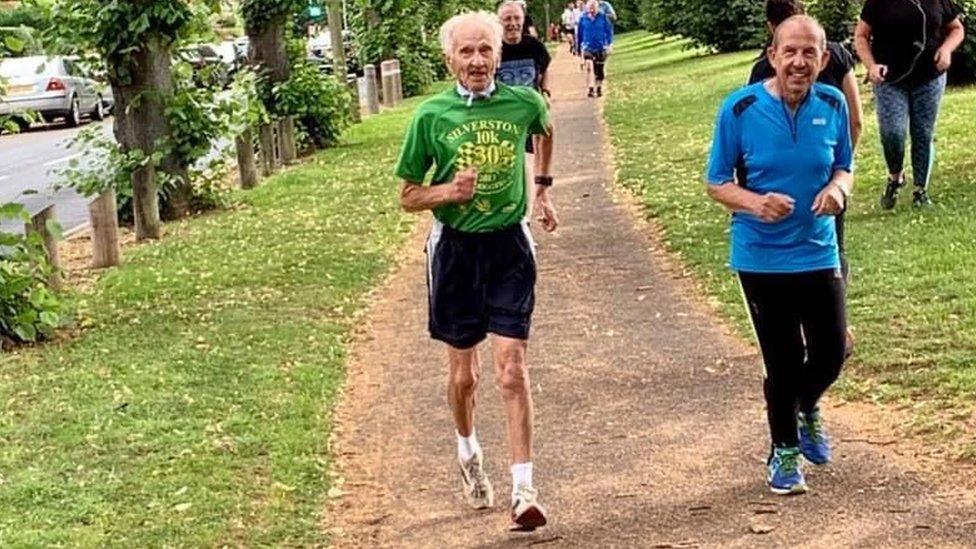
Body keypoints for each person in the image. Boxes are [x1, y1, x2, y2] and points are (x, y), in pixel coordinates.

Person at [394, 10, 558, 532]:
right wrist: (448, 192)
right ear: (450, 60)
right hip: (455, 251)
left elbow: (546, 127)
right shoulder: (431, 116)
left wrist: (543, 186)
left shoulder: (523, 102)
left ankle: (524, 490)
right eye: (466, 52)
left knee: (512, 369)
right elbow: (407, 196)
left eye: (485, 50)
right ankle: (468, 453)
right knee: (465, 377)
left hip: (509, 244)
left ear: (499, 54)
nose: (477, 60)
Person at [706, 15, 854, 495]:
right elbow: (716, 182)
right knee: (784, 358)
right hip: (760, 256)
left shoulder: (832, 104)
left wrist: (838, 190)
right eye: (789, 51)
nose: (798, 61)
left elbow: (844, 167)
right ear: (773, 56)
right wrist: (755, 202)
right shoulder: (741, 108)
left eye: (809, 52)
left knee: (833, 351)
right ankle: (784, 453)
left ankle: (805, 405)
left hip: (818, 249)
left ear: (823, 58)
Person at [748, 0, 862, 356]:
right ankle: (831, 327)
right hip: (818, 181)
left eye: (809, 53)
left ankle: (830, 327)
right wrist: (836, 168)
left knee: (826, 252)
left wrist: (840, 176)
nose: (798, 61)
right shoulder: (840, 55)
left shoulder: (764, 68)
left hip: (817, 183)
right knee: (832, 249)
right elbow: (857, 120)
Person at [854, 0, 964, 209]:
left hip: (929, 78)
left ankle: (920, 191)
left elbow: (956, 29)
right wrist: (870, 66)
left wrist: (947, 49)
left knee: (923, 132)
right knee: (892, 133)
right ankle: (896, 177)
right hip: (890, 80)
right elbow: (861, 35)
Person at [497, 0, 555, 220]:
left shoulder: (534, 46)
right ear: (499, 22)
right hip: (503, 116)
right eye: (507, 19)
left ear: (523, 20)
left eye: (516, 18)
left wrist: (545, 93)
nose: (512, 23)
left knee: (529, 161)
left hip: (529, 113)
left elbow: (544, 69)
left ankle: (527, 215)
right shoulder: (494, 49)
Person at [576, 0, 613, 97]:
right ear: (587, 8)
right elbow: (579, 35)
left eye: (594, 8)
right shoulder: (583, 18)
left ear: (597, 8)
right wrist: (579, 51)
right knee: (589, 67)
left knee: (599, 70)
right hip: (587, 47)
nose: (592, 10)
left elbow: (609, 32)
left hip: (601, 47)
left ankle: (599, 87)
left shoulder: (603, 17)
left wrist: (609, 45)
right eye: (590, 8)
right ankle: (591, 89)